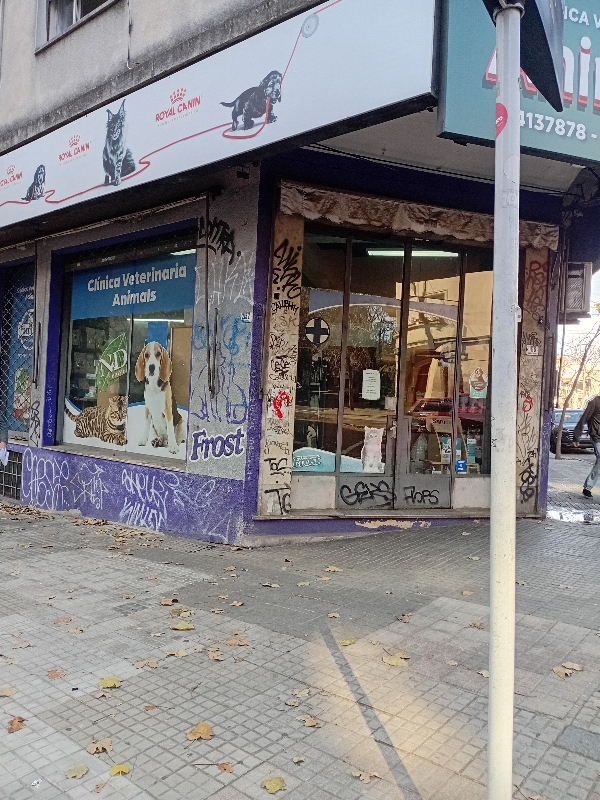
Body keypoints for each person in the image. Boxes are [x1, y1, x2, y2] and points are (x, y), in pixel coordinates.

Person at [573, 397, 600, 497]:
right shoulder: (595, 402)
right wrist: (576, 436)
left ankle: (587, 487)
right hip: (596, 436)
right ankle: (588, 486)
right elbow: (583, 419)